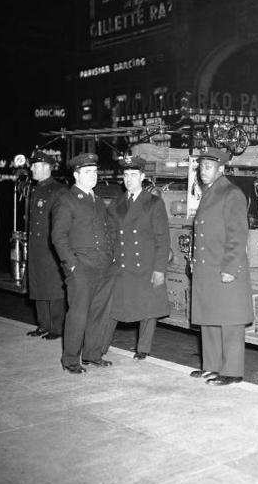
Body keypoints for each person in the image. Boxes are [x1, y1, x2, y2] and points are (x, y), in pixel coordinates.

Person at [189, 147, 253, 386]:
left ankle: (233, 371)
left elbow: (238, 235)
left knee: (229, 321)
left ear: (221, 169)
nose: (202, 171)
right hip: (209, 267)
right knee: (210, 318)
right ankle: (211, 366)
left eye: (208, 167)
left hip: (225, 267)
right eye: (201, 167)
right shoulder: (211, 192)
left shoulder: (231, 193)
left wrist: (229, 268)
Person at [102, 155, 170, 360]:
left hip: (146, 265)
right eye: (126, 174)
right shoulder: (116, 203)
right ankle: (100, 347)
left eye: (133, 174)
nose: (129, 179)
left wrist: (159, 270)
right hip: (122, 265)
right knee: (112, 309)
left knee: (148, 310)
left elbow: (163, 239)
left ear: (142, 177)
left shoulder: (153, 203)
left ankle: (143, 349)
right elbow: (111, 236)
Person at [51, 153, 114, 374]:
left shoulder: (97, 200)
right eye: (88, 172)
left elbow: (106, 231)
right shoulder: (66, 199)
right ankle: (70, 360)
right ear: (76, 175)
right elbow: (58, 236)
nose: (93, 176)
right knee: (78, 315)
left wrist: (110, 258)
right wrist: (72, 265)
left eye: (95, 172)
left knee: (98, 314)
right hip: (81, 268)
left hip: (102, 267)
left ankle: (92, 355)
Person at [26, 150, 67, 340]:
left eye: (35, 165)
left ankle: (56, 328)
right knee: (39, 286)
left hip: (51, 249)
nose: (31, 168)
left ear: (45, 167)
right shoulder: (36, 189)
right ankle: (43, 324)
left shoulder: (58, 191)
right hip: (37, 248)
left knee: (54, 287)